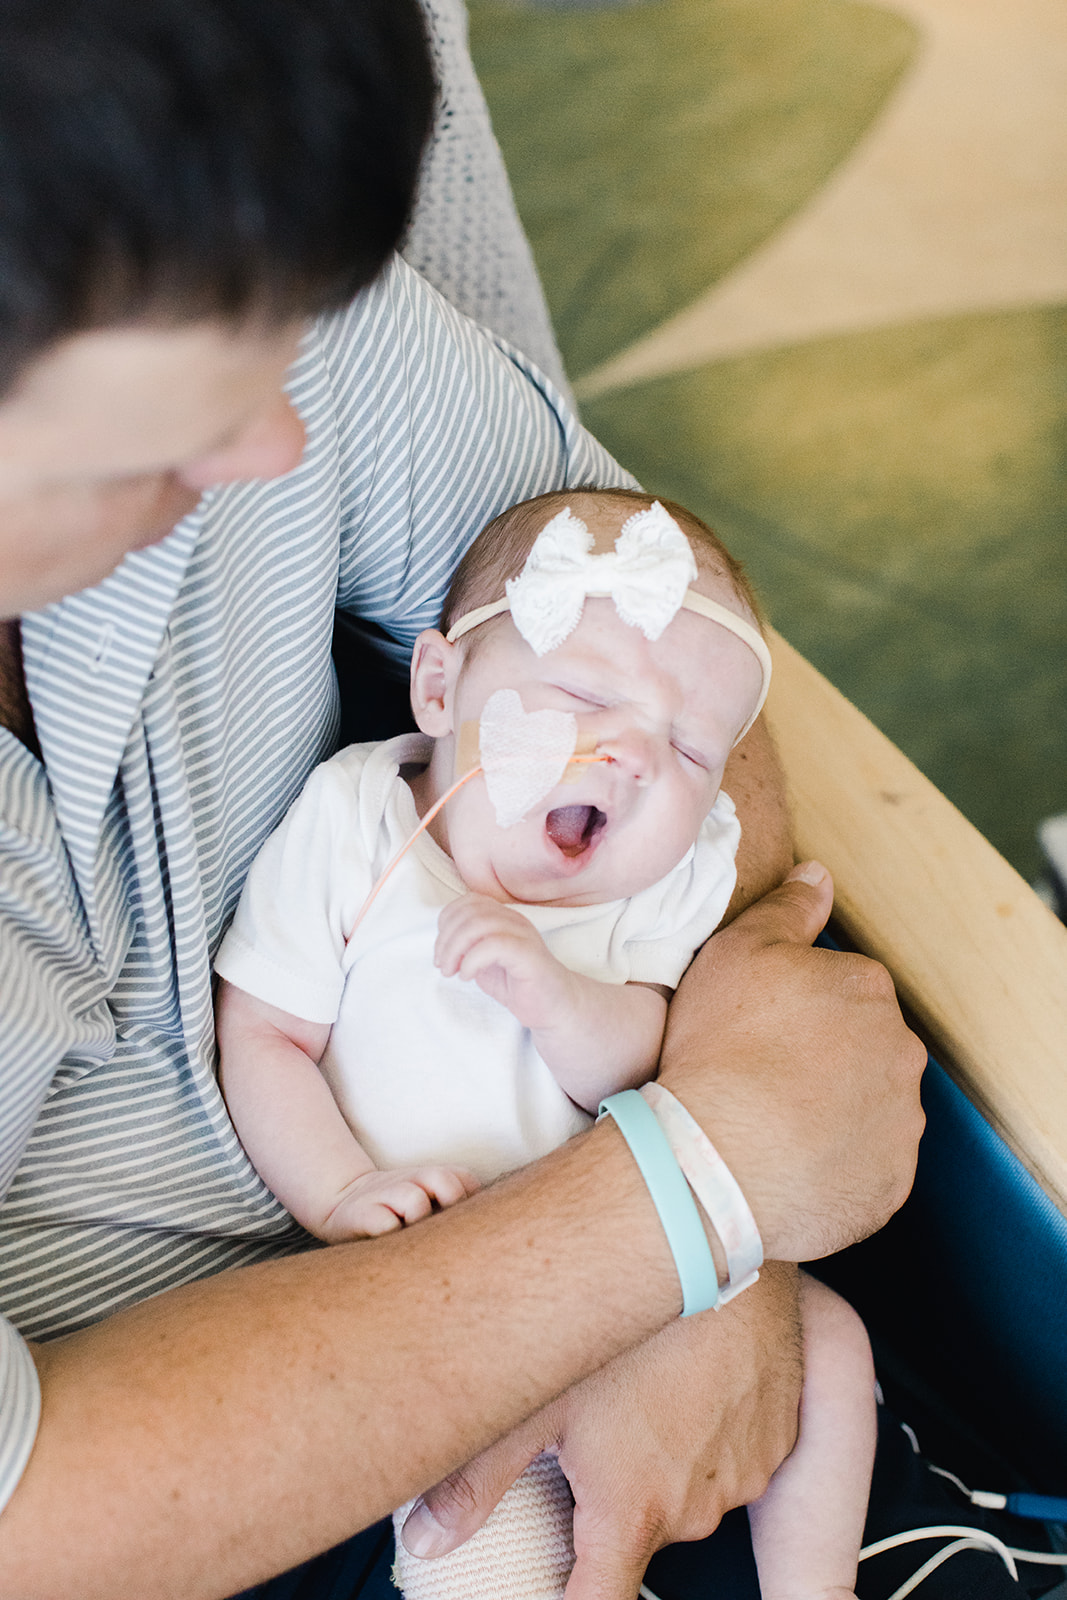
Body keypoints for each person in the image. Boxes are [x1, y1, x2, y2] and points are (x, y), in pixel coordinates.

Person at [0, 3, 926, 1595]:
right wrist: (687, 1206)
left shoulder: (217, 218)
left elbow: (656, 597)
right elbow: (37, 1522)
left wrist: (702, 1229)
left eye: (285, 335)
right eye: (187, 412)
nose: (281, 437)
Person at [215, 485, 879, 1600]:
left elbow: (646, 1062)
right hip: (437, 1297)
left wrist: (553, 995)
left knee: (835, 1348)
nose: (629, 758)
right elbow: (266, 1033)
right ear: (439, 688)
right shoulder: (357, 822)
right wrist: (338, 1192)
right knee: (482, 1543)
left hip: (654, 1266)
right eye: (581, 696)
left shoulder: (653, 886)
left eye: (688, 749)